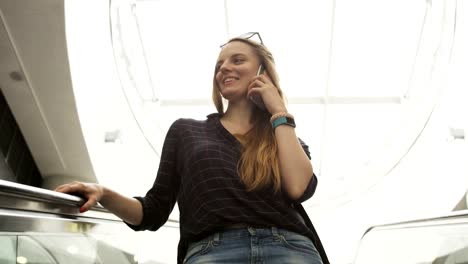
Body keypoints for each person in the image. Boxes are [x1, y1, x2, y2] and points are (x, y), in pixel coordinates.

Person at [55, 32, 329, 264]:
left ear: (262, 73)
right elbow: (152, 212)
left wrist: (278, 111)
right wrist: (103, 193)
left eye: (238, 60)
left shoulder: (283, 137)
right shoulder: (187, 131)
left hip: (289, 249)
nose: (224, 68)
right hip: (213, 252)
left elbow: (298, 189)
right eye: (219, 64)